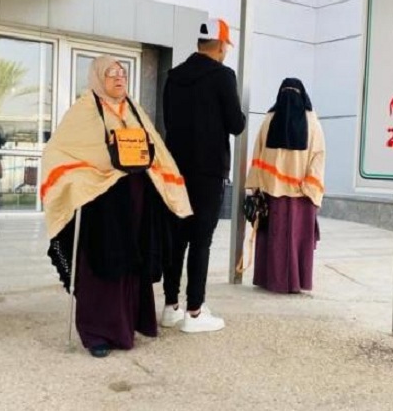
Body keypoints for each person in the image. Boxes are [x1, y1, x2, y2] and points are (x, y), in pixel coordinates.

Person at [42, 55, 191, 358]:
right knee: (103, 261)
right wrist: (82, 180)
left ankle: (129, 324)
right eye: (111, 73)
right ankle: (97, 332)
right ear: (98, 78)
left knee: (134, 259)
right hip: (101, 202)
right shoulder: (84, 110)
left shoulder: (134, 109)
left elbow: (155, 150)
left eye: (122, 72)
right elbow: (57, 153)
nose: (119, 78)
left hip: (136, 198)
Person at [161, 18, 246, 332]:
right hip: (208, 171)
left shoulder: (173, 76)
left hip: (175, 170)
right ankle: (195, 312)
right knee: (201, 240)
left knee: (177, 238)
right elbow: (236, 124)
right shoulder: (223, 76)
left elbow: (169, 121)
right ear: (221, 45)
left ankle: (171, 307)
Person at [245, 78, 325, 293]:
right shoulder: (312, 122)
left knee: (274, 239)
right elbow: (318, 157)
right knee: (297, 239)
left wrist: (256, 185)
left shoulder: (269, 119)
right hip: (301, 195)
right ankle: (296, 282)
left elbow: (258, 153)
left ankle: (271, 280)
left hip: (273, 193)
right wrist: (310, 188)